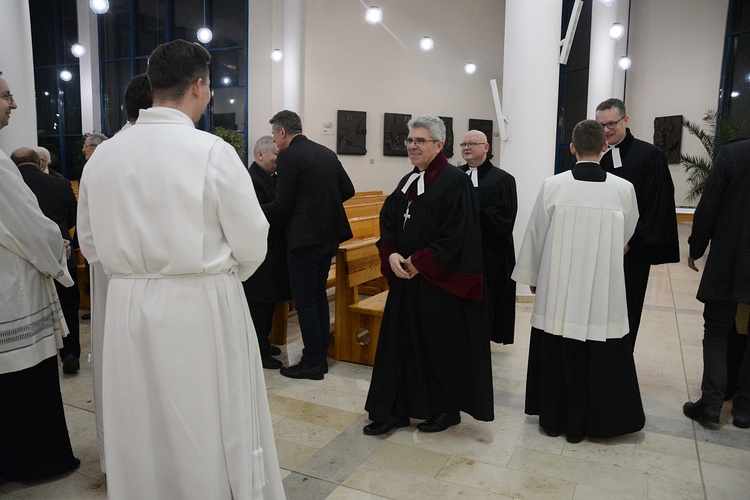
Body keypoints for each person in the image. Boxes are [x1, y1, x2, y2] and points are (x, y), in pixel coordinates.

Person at [77, 40, 285, 498]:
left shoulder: (102, 158)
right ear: (198, 87)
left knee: (140, 419)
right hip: (201, 302)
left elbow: (90, 244)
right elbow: (253, 240)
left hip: (128, 304)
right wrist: (215, 273)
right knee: (207, 420)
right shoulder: (210, 151)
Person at [512, 119, 644, 443]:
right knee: (600, 345)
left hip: (558, 286)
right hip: (603, 287)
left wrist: (533, 277)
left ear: (572, 148)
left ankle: (555, 418)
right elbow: (628, 233)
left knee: (558, 343)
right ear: (604, 147)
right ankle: (595, 421)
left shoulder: (553, 185)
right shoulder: (623, 189)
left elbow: (535, 234)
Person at [363, 114, 494, 435]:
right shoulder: (408, 181)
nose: (412, 146)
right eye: (410, 140)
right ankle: (395, 409)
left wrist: (419, 261)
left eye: (419, 141)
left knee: (438, 348)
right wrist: (391, 253)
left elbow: (457, 234)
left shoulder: (455, 181)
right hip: (407, 283)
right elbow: (390, 220)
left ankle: (445, 409)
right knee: (399, 347)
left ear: (439, 144)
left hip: (438, 283)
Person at [0, 70, 80, 481]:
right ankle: (36, 462)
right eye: (6, 96)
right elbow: (32, 227)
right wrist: (59, 249)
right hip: (11, 292)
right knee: (24, 384)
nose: (12, 104)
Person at [89, 72, 153, 473]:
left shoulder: (103, 156)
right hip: (158, 284)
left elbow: (89, 239)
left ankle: (121, 461)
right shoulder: (187, 150)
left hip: (113, 280)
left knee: (121, 378)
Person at [264, 109, 355, 380]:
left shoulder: (289, 156)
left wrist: (253, 209)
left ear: (282, 132)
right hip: (328, 237)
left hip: (304, 240)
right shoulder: (325, 152)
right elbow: (348, 190)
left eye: (274, 135)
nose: (275, 142)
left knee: (305, 300)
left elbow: (282, 207)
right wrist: (320, 206)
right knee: (316, 296)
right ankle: (319, 355)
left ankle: (313, 362)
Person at [596, 98, 679, 349]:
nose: (607, 130)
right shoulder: (595, 156)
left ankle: (621, 359)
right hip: (598, 249)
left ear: (626, 120)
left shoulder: (649, 156)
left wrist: (631, 242)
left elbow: (657, 205)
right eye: (601, 125)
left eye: (612, 123)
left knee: (627, 307)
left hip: (631, 252)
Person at [683, 138, 750, 429]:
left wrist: (696, 247)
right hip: (732, 260)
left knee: (716, 331)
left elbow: (709, 205)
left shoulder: (733, 154)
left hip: (729, 259)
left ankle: (711, 404)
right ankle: (744, 408)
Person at [12, 147, 81, 374]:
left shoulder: (11, 188)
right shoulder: (60, 185)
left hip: (24, 261)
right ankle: (70, 354)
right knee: (69, 307)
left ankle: (42, 358)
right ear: (39, 163)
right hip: (61, 254)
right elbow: (73, 216)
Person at [459, 129, 518, 344]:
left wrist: (474, 211)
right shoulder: (455, 177)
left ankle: (486, 335)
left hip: (491, 251)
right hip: (462, 251)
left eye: (472, 144)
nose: (466, 147)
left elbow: (505, 218)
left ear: (486, 148)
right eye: (463, 144)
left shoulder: (503, 179)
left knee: (489, 295)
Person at [243, 135, 290, 369]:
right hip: (260, 254)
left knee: (268, 302)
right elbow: (255, 213)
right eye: (276, 155)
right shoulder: (250, 179)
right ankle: (258, 350)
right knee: (259, 305)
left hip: (272, 252)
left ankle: (264, 342)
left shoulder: (270, 177)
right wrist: (283, 205)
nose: (278, 160)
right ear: (260, 155)